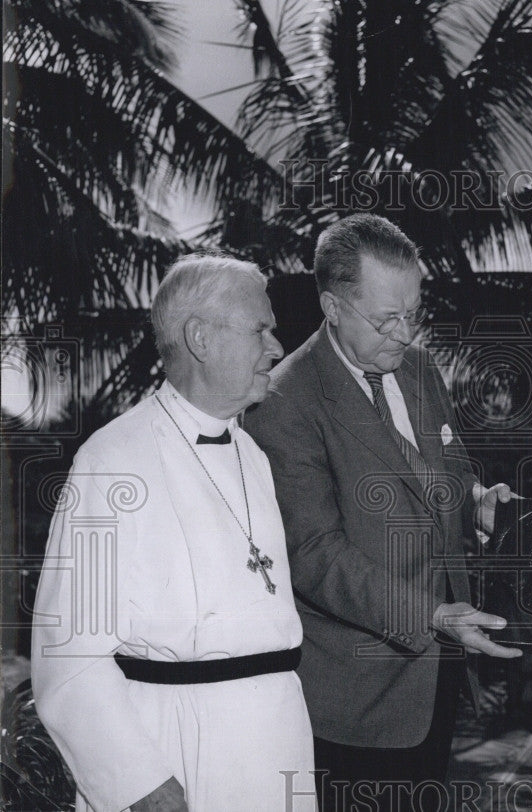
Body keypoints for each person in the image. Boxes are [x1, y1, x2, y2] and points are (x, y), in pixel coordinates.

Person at [242, 214, 521, 809]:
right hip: (353, 699)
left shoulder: (417, 369)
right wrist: (433, 616)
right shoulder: (285, 403)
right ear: (333, 306)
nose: (404, 333)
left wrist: (477, 504)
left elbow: (453, 470)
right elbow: (314, 555)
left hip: (436, 674)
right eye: (386, 318)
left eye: (413, 313)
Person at [31, 255, 316, 811]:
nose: (278, 348)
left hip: (277, 748)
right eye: (261, 329)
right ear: (200, 338)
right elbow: (68, 658)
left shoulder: (253, 455)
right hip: (179, 755)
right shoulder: (111, 461)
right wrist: (142, 786)